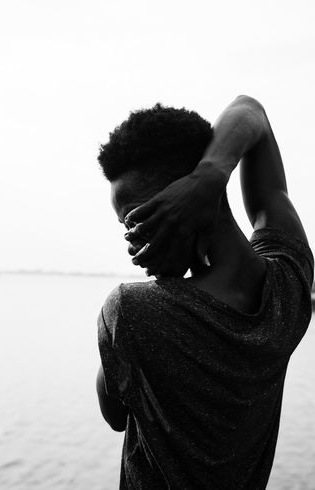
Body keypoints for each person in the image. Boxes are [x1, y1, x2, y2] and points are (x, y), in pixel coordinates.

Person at [96, 95, 313, 489]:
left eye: (135, 221)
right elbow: (252, 112)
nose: (131, 244)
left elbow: (114, 415)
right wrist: (210, 176)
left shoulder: (131, 312)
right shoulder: (289, 288)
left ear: (180, 204)